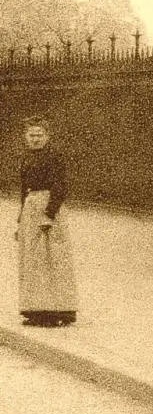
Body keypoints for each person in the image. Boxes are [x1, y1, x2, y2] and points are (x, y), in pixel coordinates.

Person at [17, 116, 78, 327]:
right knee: (33, 260)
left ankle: (57, 310)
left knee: (53, 258)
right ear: (26, 136)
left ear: (47, 136)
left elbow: (61, 187)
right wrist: (19, 221)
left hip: (49, 208)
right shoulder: (26, 158)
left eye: (39, 135)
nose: (35, 139)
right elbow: (23, 190)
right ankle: (36, 309)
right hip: (30, 209)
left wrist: (49, 214)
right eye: (31, 135)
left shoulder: (55, 156)